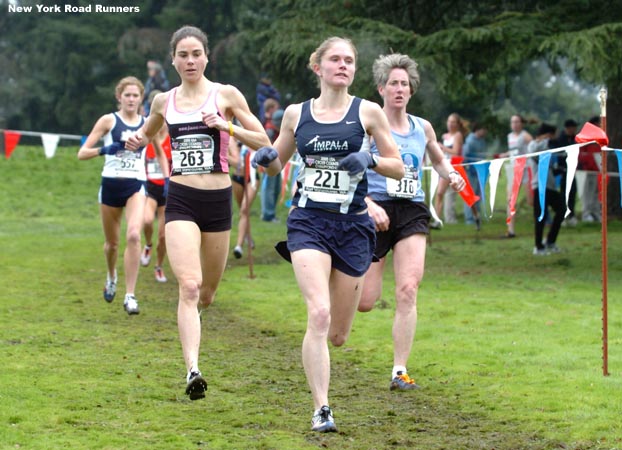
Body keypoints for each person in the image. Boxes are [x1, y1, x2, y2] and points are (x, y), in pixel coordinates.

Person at [252, 36, 405, 433]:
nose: (343, 65)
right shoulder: (295, 114)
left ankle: (325, 383)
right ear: (317, 67)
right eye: (335, 59)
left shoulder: (369, 112)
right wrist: (264, 159)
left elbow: (399, 167)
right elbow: (276, 162)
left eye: (349, 60)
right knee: (317, 314)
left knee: (337, 335)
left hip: (353, 227)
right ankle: (321, 408)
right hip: (308, 222)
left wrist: (369, 158)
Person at [125, 26, 271, 400]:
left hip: (218, 203)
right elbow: (146, 133)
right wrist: (135, 139)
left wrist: (227, 125)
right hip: (182, 201)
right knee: (188, 286)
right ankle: (192, 369)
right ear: (173, 59)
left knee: (206, 293)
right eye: (183, 55)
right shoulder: (164, 101)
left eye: (196, 54)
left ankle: (198, 315)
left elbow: (264, 142)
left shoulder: (226, 95)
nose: (190, 61)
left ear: (207, 57)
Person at [359, 54, 465, 392]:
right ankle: (326, 305)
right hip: (376, 212)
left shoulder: (423, 127)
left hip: (411, 210)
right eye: (393, 83)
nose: (399, 89)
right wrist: (366, 204)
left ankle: (399, 370)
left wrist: (452, 175)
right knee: (365, 301)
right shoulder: (369, 126)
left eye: (405, 84)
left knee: (408, 289)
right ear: (382, 88)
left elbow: (437, 158)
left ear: (411, 90)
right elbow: (352, 168)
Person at [78, 76, 159, 315]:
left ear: (141, 98)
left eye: (135, 95)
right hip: (111, 185)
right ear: (119, 97)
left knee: (134, 235)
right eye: (127, 95)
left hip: (136, 184)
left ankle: (130, 295)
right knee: (112, 244)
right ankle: (111, 275)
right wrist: (106, 149)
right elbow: (81, 153)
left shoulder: (147, 124)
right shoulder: (108, 121)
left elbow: (159, 146)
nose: (132, 99)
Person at [140, 90, 172, 283]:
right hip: (150, 187)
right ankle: (148, 245)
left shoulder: (173, 134)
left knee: (164, 235)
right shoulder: (147, 134)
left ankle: (159, 266)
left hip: (167, 190)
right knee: (146, 221)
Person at [527, 123, 565, 255]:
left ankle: (550, 241)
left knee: (561, 210)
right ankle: (538, 247)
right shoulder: (533, 144)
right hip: (539, 186)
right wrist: (543, 140)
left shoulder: (548, 146)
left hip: (551, 186)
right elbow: (534, 155)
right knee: (540, 217)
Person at [431, 113, 465, 228]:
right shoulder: (446, 135)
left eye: (453, 122)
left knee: (440, 193)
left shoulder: (458, 135)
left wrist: (442, 147)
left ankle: (437, 220)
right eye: (449, 121)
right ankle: (440, 219)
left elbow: (455, 152)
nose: (450, 124)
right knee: (442, 194)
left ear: (457, 124)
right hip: (444, 165)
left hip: (453, 167)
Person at [501, 114, 533, 237]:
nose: (514, 124)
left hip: (526, 170)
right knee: (510, 200)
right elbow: (513, 150)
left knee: (531, 200)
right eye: (512, 122)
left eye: (516, 122)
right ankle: (510, 230)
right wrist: (505, 154)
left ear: (521, 123)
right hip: (514, 170)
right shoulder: (509, 136)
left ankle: (546, 218)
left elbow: (534, 147)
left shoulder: (525, 135)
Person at [230, 138, 259, 259]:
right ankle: (248, 236)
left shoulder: (252, 134)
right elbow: (235, 163)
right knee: (243, 213)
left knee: (243, 210)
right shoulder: (231, 138)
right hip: (237, 178)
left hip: (251, 179)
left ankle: (239, 246)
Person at [550, 119, 578, 227]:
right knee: (563, 194)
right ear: (568, 128)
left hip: (571, 170)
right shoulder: (559, 140)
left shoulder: (574, 139)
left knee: (572, 193)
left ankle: (571, 214)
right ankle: (563, 215)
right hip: (561, 171)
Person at [461, 122, 487, 229]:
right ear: (478, 129)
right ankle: (469, 218)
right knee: (470, 195)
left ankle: (477, 215)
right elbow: (465, 155)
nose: (486, 132)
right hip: (471, 171)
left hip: (480, 171)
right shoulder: (470, 141)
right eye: (484, 129)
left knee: (478, 195)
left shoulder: (482, 141)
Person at [260, 106, 284, 222]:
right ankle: (268, 215)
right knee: (268, 189)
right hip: (269, 163)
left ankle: (271, 212)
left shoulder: (277, 131)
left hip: (278, 162)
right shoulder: (270, 132)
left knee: (276, 188)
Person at [578, 115, 602, 223]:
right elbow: (581, 153)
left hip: (596, 168)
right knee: (587, 192)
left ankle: (595, 213)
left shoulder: (598, 136)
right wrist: (587, 164)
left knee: (596, 192)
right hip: (587, 169)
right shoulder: (585, 135)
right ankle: (586, 214)